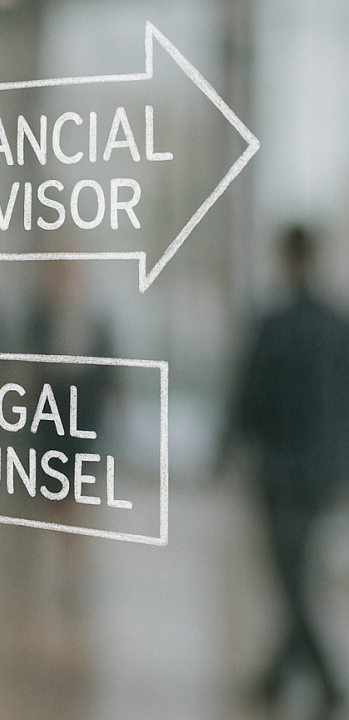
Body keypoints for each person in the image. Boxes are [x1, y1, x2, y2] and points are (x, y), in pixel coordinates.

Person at [231, 226, 349, 712]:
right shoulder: (337, 324)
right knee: (295, 573)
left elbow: (249, 395)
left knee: (290, 577)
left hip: (281, 470)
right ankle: (275, 676)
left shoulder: (272, 324)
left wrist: (226, 448)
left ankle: (325, 677)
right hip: (325, 470)